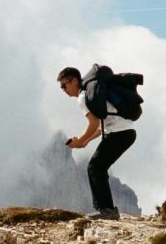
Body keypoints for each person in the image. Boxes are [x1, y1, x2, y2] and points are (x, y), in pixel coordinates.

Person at [57, 66, 137, 220]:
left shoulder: (83, 97)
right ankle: (104, 208)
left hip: (119, 134)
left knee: (96, 167)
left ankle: (107, 210)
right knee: (96, 167)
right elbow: (100, 127)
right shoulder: (90, 93)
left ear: (74, 81)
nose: (63, 90)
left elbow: (93, 124)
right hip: (124, 133)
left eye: (64, 85)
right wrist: (85, 141)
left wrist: (80, 139)